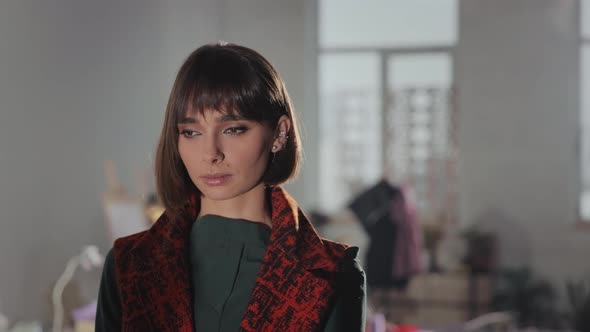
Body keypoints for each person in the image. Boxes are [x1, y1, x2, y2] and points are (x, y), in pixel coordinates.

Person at [95, 42, 366, 332]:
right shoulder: (128, 266)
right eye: (191, 132)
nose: (210, 153)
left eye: (233, 129)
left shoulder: (333, 275)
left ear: (279, 133)